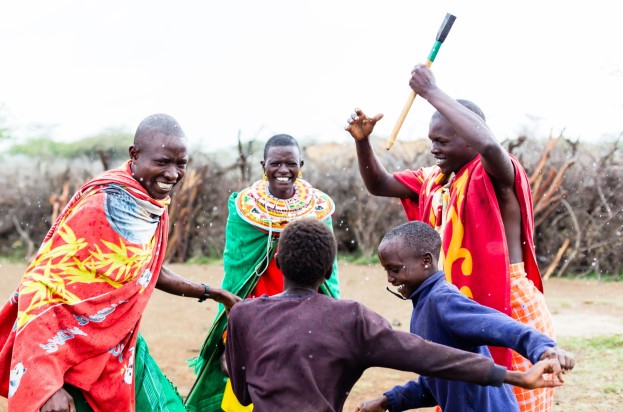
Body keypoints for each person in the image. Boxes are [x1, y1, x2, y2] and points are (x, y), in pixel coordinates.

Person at [0, 113, 240, 412]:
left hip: (118, 350)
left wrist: (212, 293)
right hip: (69, 357)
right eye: (163, 162)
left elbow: (150, 271)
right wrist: (46, 382)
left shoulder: (148, 204)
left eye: (181, 164)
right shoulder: (102, 204)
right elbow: (42, 287)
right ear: (134, 154)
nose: (172, 174)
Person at [345, 64, 558, 410]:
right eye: (432, 141)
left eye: (442, 141)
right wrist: (363, 142)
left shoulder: (496, 173)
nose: (434, 150)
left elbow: (488, 145)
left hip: (509, 299)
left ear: (468, 135)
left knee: (516, 401)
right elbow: (379, 184)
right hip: (457, 307)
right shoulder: (434, 181)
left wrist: (431, 92)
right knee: (466, 393)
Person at [225, 218, 564, 412]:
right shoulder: (352, 320)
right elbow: (431, 359)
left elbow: (243, 394)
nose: (391, 277)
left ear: (279, 262)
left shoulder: (244, 316)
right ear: (329, 270)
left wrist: (232, 360)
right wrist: (514, 377)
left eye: (395, 268)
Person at [186, 134, 340, 411]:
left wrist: (334, 319)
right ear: (263, 165)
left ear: (300, 164)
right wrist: (230, 335)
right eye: (275, 163)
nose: (283, 170)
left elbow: (331, 270)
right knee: (247, 392)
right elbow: (236, 272)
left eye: (290, 163)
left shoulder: (317, 209)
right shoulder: (243, 209)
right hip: (256, 313)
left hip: (306, 313)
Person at [353, 221, 574, 412]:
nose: (391, 279)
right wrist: (388, 401)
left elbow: (501, 326)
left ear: (426, 261)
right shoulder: (423, 306)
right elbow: (436, 380)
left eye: (395, 269)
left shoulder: (443, 301)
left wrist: (543, 348)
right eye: (387, 271)